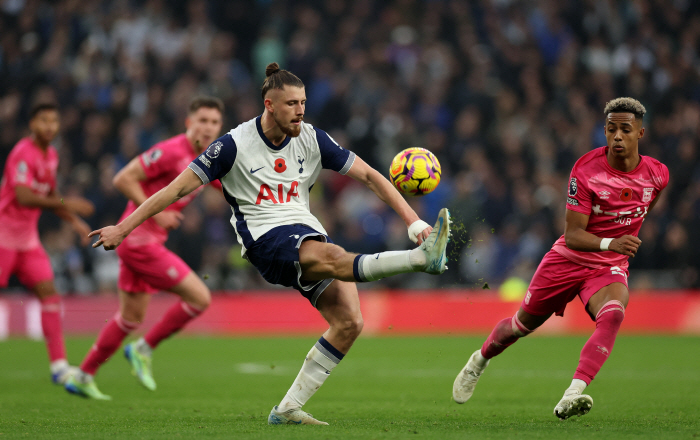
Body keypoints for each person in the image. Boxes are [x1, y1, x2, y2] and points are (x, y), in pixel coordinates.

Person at [88, 63, 451, 424]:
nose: (300, 110)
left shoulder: (312, 138)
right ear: (269, 105)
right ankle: (420, 259)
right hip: (265, 239)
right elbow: (173, 189)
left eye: (303, 102)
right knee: (336, 257)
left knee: (349, 322)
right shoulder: (231, 145)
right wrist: (123, 228)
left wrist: (413, 221)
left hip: (305, 229)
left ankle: (287, 409)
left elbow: (371, 176)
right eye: (291, 104)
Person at [452, 97, 669, 419]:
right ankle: (479, 360)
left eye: (626, 129)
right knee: (520, 326)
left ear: (641, 133)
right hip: (567, 260)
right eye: (611, 130)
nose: (618, 136)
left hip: (608, 267)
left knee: (612, 315)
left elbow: (644, 209)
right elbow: (573, 235)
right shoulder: (586, 170)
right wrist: (613, 241)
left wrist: (617, 247)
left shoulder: (657, 174)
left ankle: (573, 393)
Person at [65, 96, 225, 400]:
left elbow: (224, 184)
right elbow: (123, 178)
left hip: (143, 243)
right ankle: (143, 348)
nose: (208, 127)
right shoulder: (170, 151)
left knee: (130, 318)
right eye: (202, 120)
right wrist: (161, 213)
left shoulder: (205, 157)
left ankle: (83, 376)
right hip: (138, 240)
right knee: (200, 297)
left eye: (214, 122)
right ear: (189, 123)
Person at [0, 103, 95, 385]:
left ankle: (59, 366)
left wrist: (74, 220)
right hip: (4, 236)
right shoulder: (22, 153)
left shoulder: (51, 154)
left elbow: (51, 194)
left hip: (28, 241)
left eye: (54, 121)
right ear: (31, 123)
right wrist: (70, 203)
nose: (50, 126)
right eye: (43, 120)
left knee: (50, 296)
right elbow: (24, 196)